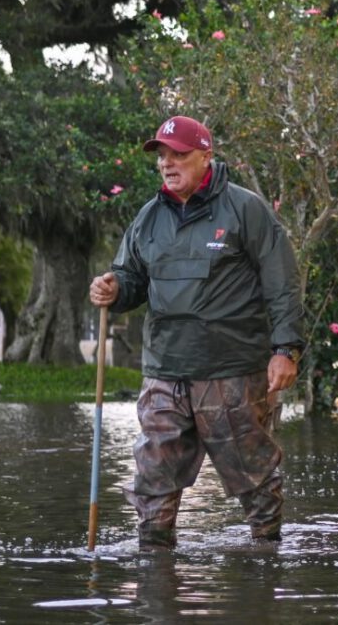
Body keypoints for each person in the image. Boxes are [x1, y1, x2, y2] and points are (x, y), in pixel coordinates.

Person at [89, 115, 305, 548]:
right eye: (162, 156)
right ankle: (154, 565)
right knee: (153, 479)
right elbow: (130, 278)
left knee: (254, 477)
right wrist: (112, 288)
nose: (168, 163)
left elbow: (281, 282)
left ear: (206, 155)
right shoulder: (148, 218)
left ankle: (267, 558)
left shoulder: (245, 209)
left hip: (231, 372)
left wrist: (286, 348)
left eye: (179, 154)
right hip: (164, 372)